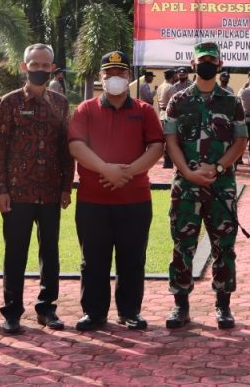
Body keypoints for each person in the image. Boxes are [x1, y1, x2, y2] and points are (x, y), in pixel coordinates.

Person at [68, 51, 165, 331]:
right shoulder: (85, 109)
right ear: (101, 77)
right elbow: (76, 145)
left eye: (120, 73)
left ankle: (129, 311)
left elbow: (157, 146)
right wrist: (104, 169)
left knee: (132, 259)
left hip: (134, 199)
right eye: (109, 74)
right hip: (92, 200)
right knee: (93, 260)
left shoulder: (144, 111)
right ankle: (95, 313)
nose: (114, 79)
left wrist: (128, 172)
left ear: (129, 77)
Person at [0, 44, 74, 333]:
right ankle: (12, 311)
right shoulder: (9, 103)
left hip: (50, 191)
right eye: (33, 64)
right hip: (17, 192)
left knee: (50, 251)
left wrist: (65, 187)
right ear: (23, 67)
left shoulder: (60, 104)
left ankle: (47, 309)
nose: (38, 69)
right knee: (15, 253)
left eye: (44, 65)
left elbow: (66, 149)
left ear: (52, 68)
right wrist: (0, 189)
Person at [163, 42, 248, 330]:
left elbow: (240, 141)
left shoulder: (231, 101)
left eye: (212, 60)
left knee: (224, 246)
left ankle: (223, 305)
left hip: (220, 185)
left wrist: (219, 166)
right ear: (193, 63)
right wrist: (187, 171)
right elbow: (171, 141)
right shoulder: (178, 100)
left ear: (220, 63)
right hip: (186, 187)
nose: (207, 64)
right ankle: (181, 306)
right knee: (182, 245)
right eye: (203, 60)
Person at [157, 69, 178, 169]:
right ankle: (168, 162)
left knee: (165, 138)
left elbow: (158, 103)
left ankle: (167, 162)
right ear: (172, 76)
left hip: (162, 113)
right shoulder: (171, 87)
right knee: (170, 139)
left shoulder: (160, 86)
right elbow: (175, 103)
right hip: (169, 115)